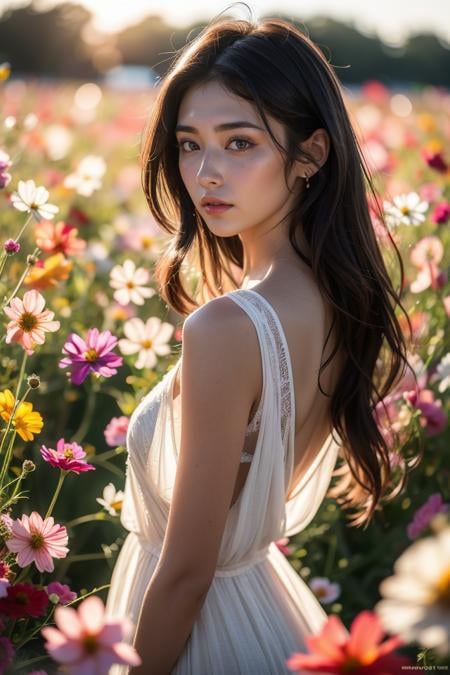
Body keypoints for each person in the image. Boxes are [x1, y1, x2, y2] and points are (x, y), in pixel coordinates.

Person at [106, 10, 419, 674]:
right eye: (189, 144)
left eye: (240, 143)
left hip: (197, 635)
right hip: (264, 612)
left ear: (311, 154)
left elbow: (187, 571)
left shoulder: (225, 327)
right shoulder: (336, 297)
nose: (206, 173)